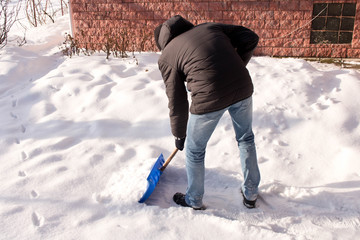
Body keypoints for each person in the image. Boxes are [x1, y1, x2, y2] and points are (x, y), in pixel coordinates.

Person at [154, 15, 260, 210]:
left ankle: (193, 199)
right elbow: (250, 37)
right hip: (242, 86)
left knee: (195, 151)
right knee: (246, 138)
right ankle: (251, 192)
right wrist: (237, 65)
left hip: (209, 96)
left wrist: (179, 134)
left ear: (162, 42)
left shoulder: (167, 55)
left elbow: (176, 100)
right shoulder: (210, 27)